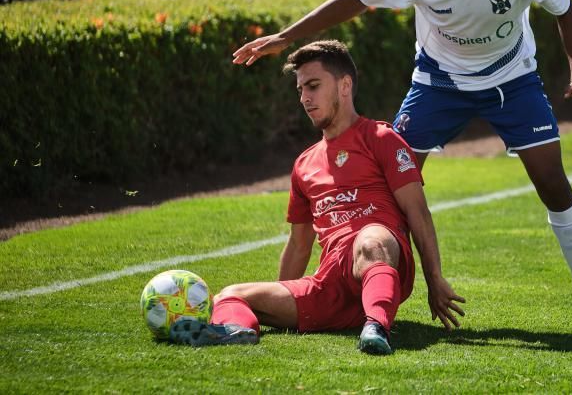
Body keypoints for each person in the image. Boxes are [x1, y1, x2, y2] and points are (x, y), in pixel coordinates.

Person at [232, 0, 572, 332]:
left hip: (512, 80)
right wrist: (286, 37)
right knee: (387, 185)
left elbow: (566, 9)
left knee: (552, 182)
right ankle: (353, 292)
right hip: (438, 83)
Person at [171, 40, 465, 354]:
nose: (305, 98)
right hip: (330, 289)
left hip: (381, 261)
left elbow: (417, 211)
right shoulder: (304, 165)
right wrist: (281, 291)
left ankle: (376, 326)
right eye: (300, 90)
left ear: (345, 85)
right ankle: (235, 330)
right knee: (231, 295)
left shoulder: (381, 138)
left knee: (370, 241)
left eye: (313, 86)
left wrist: (435, 279)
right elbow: (299, 244)